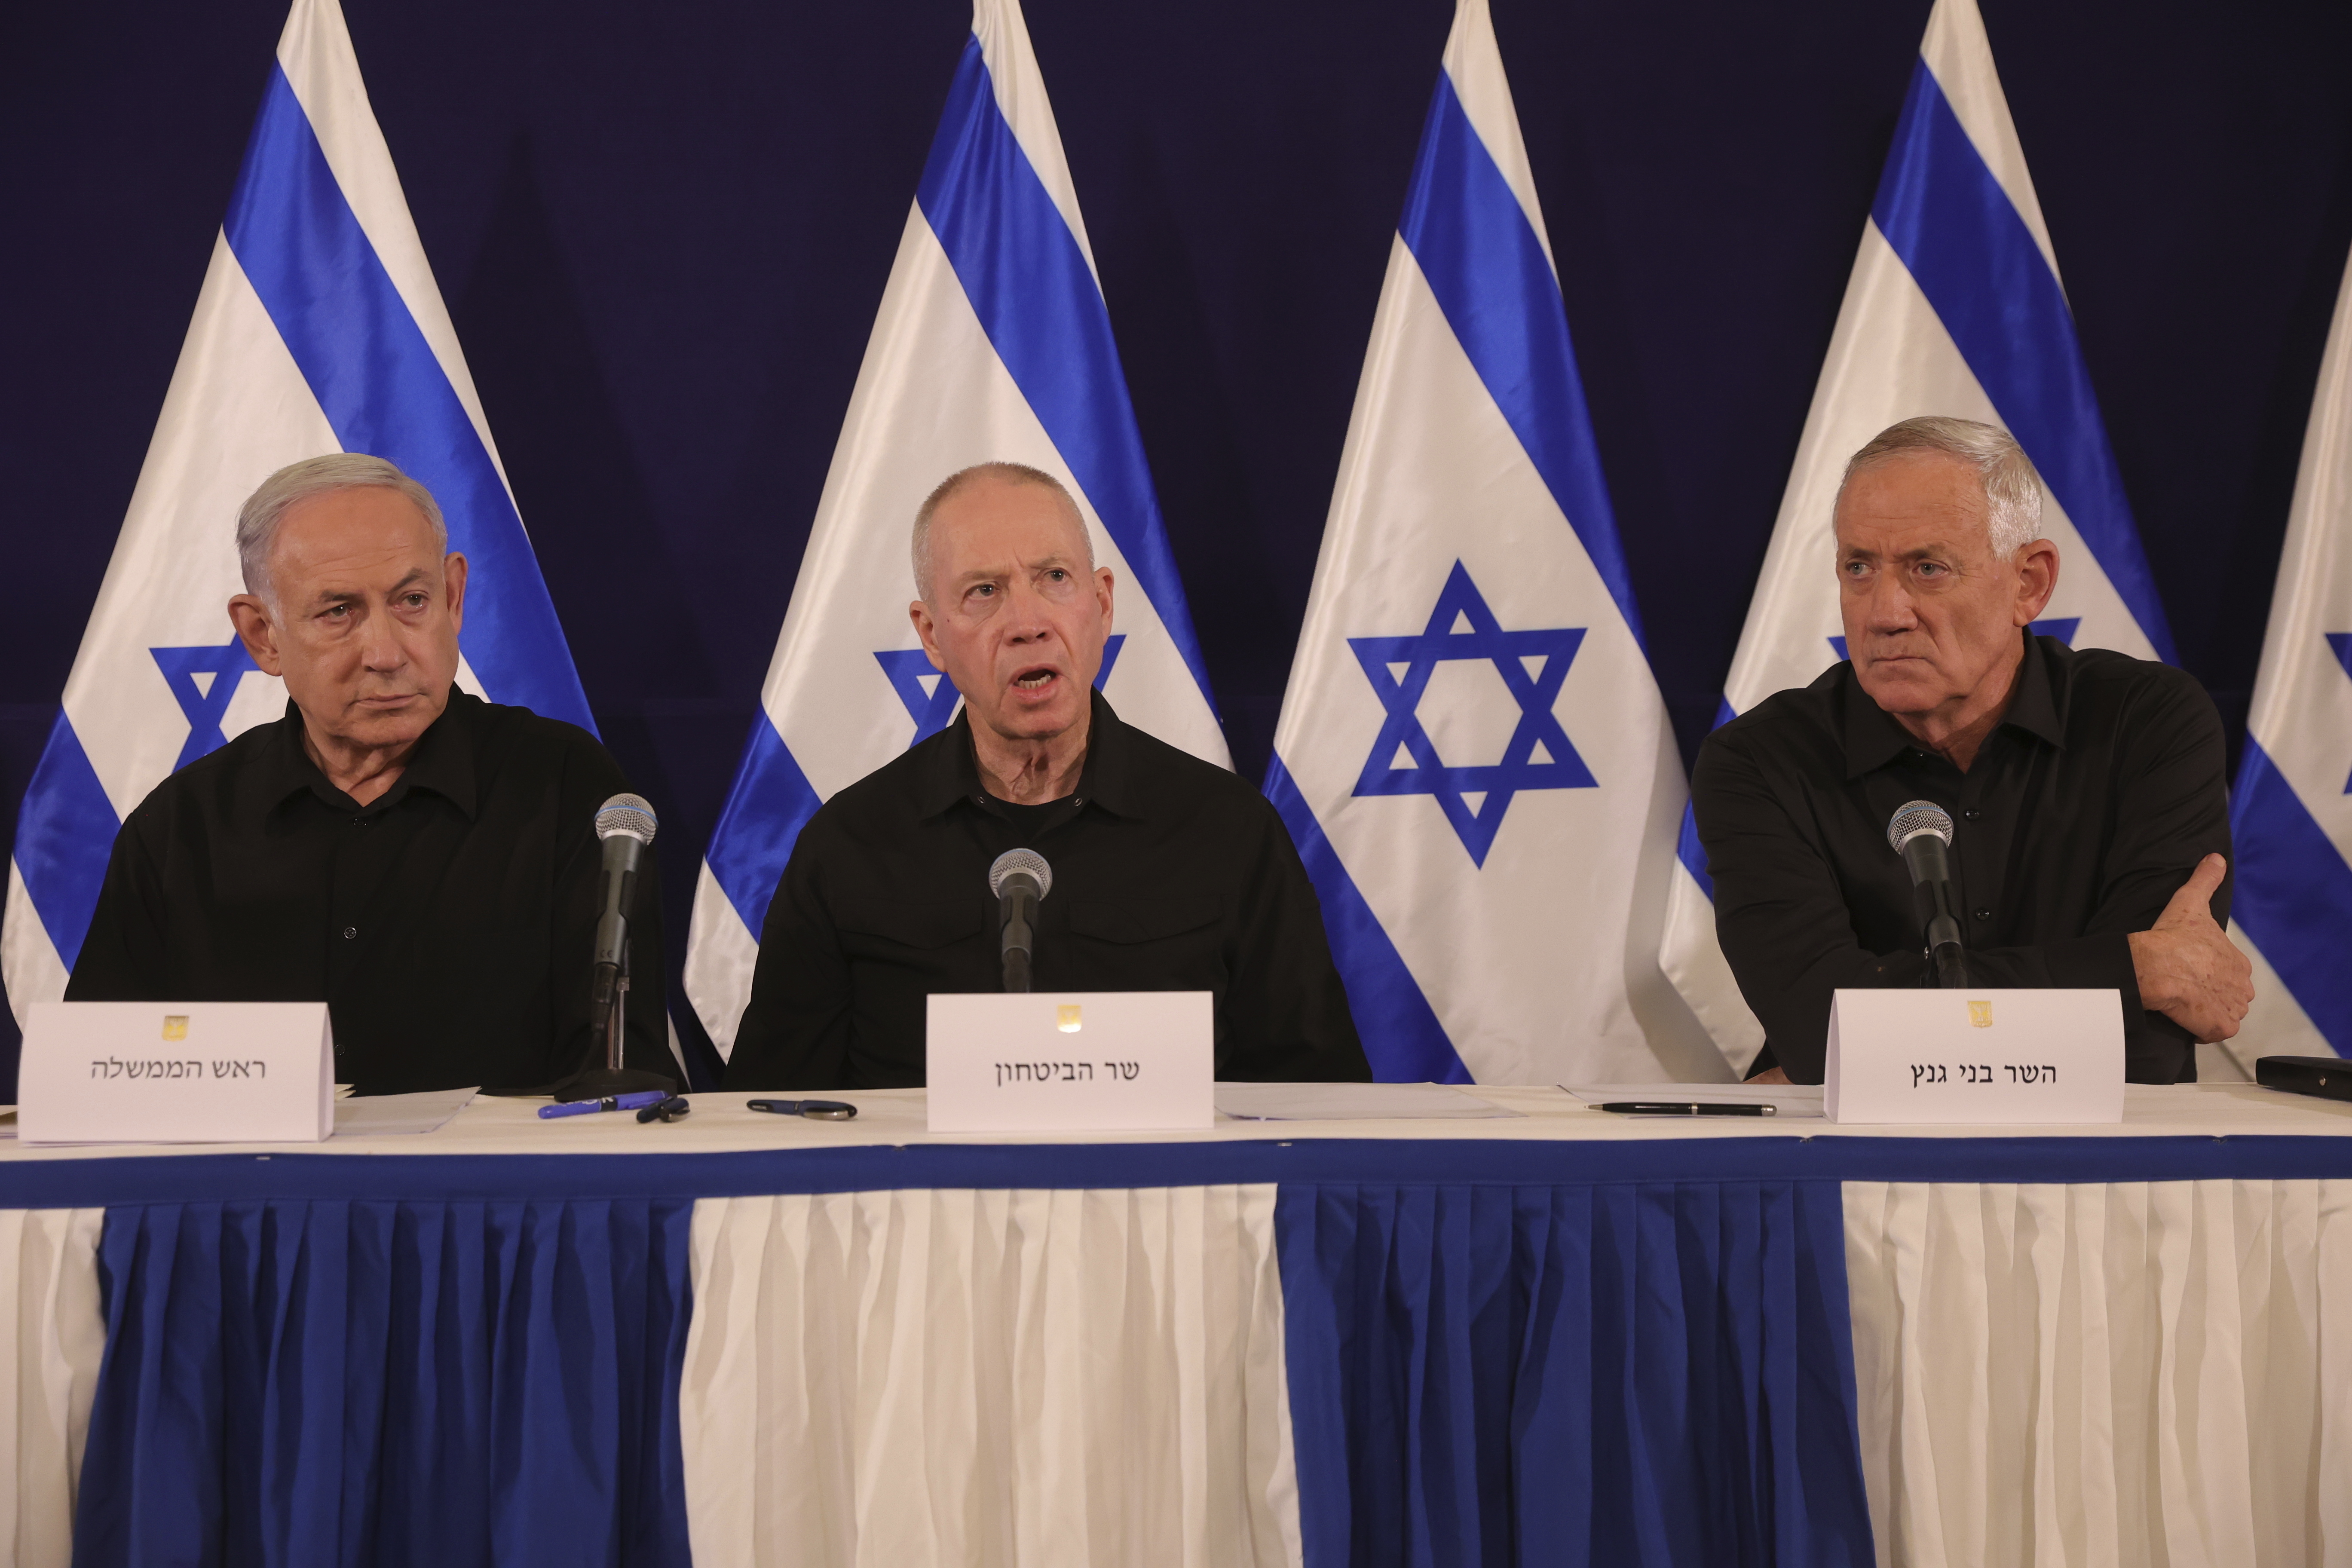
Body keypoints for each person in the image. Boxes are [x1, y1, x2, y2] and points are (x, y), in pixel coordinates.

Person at [724, 462, 1370, 1090]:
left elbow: (1318, 1098)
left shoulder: (1228, 831)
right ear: (931, 636)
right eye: (984, 592)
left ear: (1102, 603)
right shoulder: (849, 846)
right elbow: (769, 1114)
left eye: (1055, 577)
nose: (1028, 624)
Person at [67, 454, 671, 1094]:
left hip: (494, 1192)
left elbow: (613, 1075)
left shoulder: (564, 787)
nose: (386, 653)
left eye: (412, 601)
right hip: (258, 1194)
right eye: (338, 613)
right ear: (262, 636)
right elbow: (100, 1085)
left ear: (454, 596)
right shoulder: (181, 830)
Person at [1691, 417, 2252, 1085]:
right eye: (1859, 568)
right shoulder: (1761, 763)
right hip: (1866, 1171)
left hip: (2105, 1169)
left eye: (1927, 569)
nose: (1884, 612)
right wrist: (2133, 970)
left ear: (2029, 584)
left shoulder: (2147, 725)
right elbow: (1822, 1032)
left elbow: (2146, 1045)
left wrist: (1892, 1038)